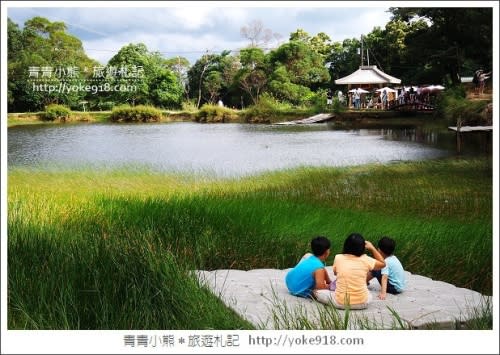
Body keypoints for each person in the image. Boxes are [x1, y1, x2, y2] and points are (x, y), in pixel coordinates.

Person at [332, 233, 385, 309]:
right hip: (363, 303)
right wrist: (372, 248)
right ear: (362, 247)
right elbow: (383, 264)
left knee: (320, 293)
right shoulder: (366, 259)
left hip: (341, 303)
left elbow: (335, 273)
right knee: (367, 293)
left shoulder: (338, 258)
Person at [285, 236, 333, 301]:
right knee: (320, 292)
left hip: (289, 282)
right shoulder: (319, 269)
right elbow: (320, 287)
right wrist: (330, 286)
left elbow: (323, 269)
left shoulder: (310, 257)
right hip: (297, 290)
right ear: (326, 252)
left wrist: (329, 281)